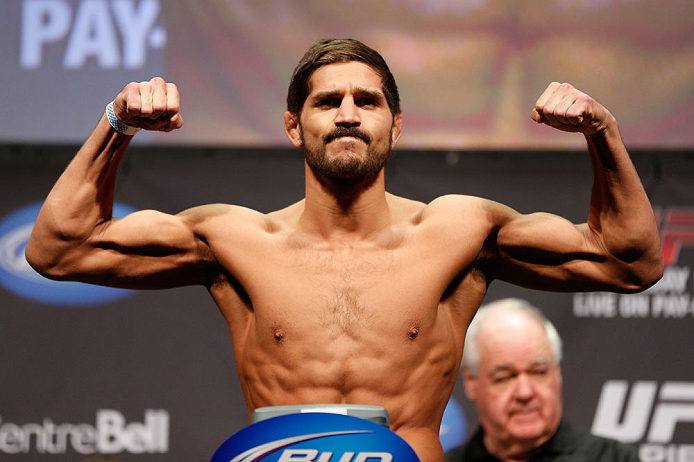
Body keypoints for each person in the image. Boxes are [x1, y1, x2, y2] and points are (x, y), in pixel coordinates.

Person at [25, 38, 663, 462]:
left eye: (369, 101)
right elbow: (58, 249)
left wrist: (602, 133)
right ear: (294, 126)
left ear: (396, 123)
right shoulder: (236, 240)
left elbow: (629, 261)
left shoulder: (459, 233)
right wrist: (118, 122)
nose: (350, 113)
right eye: (328, 101)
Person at [448, 298, 639, 462]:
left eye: (538, 372)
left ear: (557, 374)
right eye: (505, 378)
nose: (525, 392)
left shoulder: (614, 458)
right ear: (471, 382)